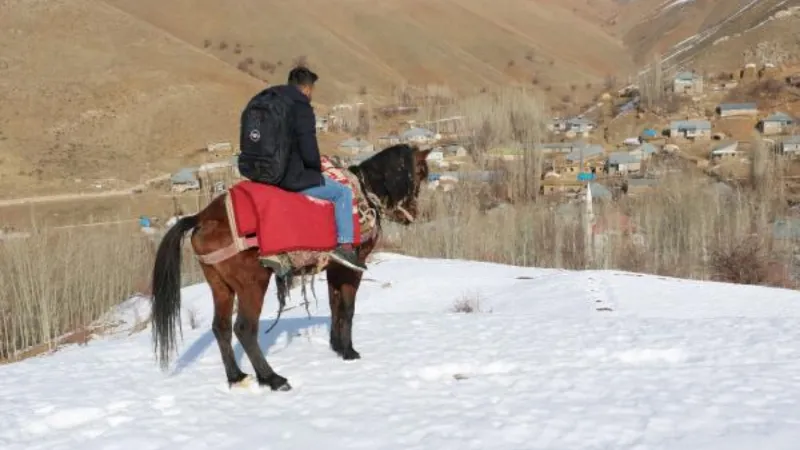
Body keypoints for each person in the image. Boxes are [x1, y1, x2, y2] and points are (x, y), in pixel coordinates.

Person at [241, 67, 366, 272]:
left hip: (257, 172)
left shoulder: (266, 99)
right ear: (307, 89)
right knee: (342, 192)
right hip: (288, 177)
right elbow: (308, 147)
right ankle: (345, 246)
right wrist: (315, 169)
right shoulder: (300, 107)